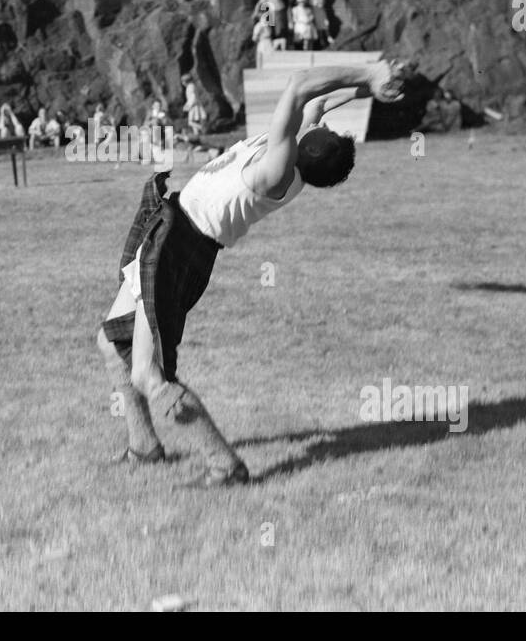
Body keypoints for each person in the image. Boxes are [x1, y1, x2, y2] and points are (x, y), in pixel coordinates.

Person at [95, 57, 410, 486]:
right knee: (109, 340)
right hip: (171, 228)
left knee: (149, 375)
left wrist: (369, 71)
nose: (323, 123)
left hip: (180, 247)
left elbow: (301, 84)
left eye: (325, 132)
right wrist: (371, 89)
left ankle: (225, 466)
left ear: (310, 146)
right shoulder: (297, 147)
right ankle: (144, 446)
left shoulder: (277, 169)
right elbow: (317, 100)